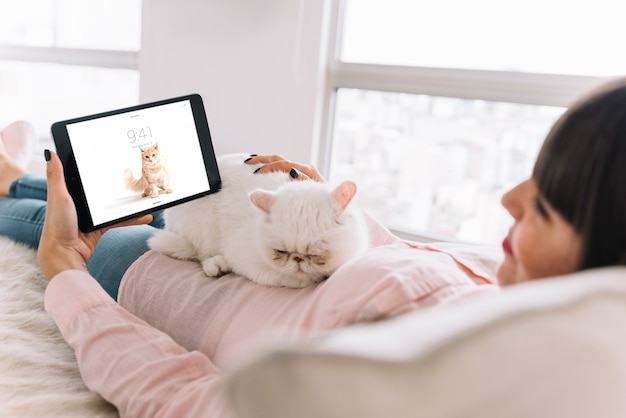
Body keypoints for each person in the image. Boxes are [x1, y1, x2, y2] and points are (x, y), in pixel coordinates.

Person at [1, 76, 626, 416]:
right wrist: (317, 206)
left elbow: (184, 400)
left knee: (100, 227)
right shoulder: (503, 275)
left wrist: (66, 277)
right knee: (164, 191)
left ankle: (12, 192)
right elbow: (384, 264)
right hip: (253, 237)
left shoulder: (443, 381)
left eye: (546, 204)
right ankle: (16, 173)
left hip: (177, 286)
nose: (509, 199)